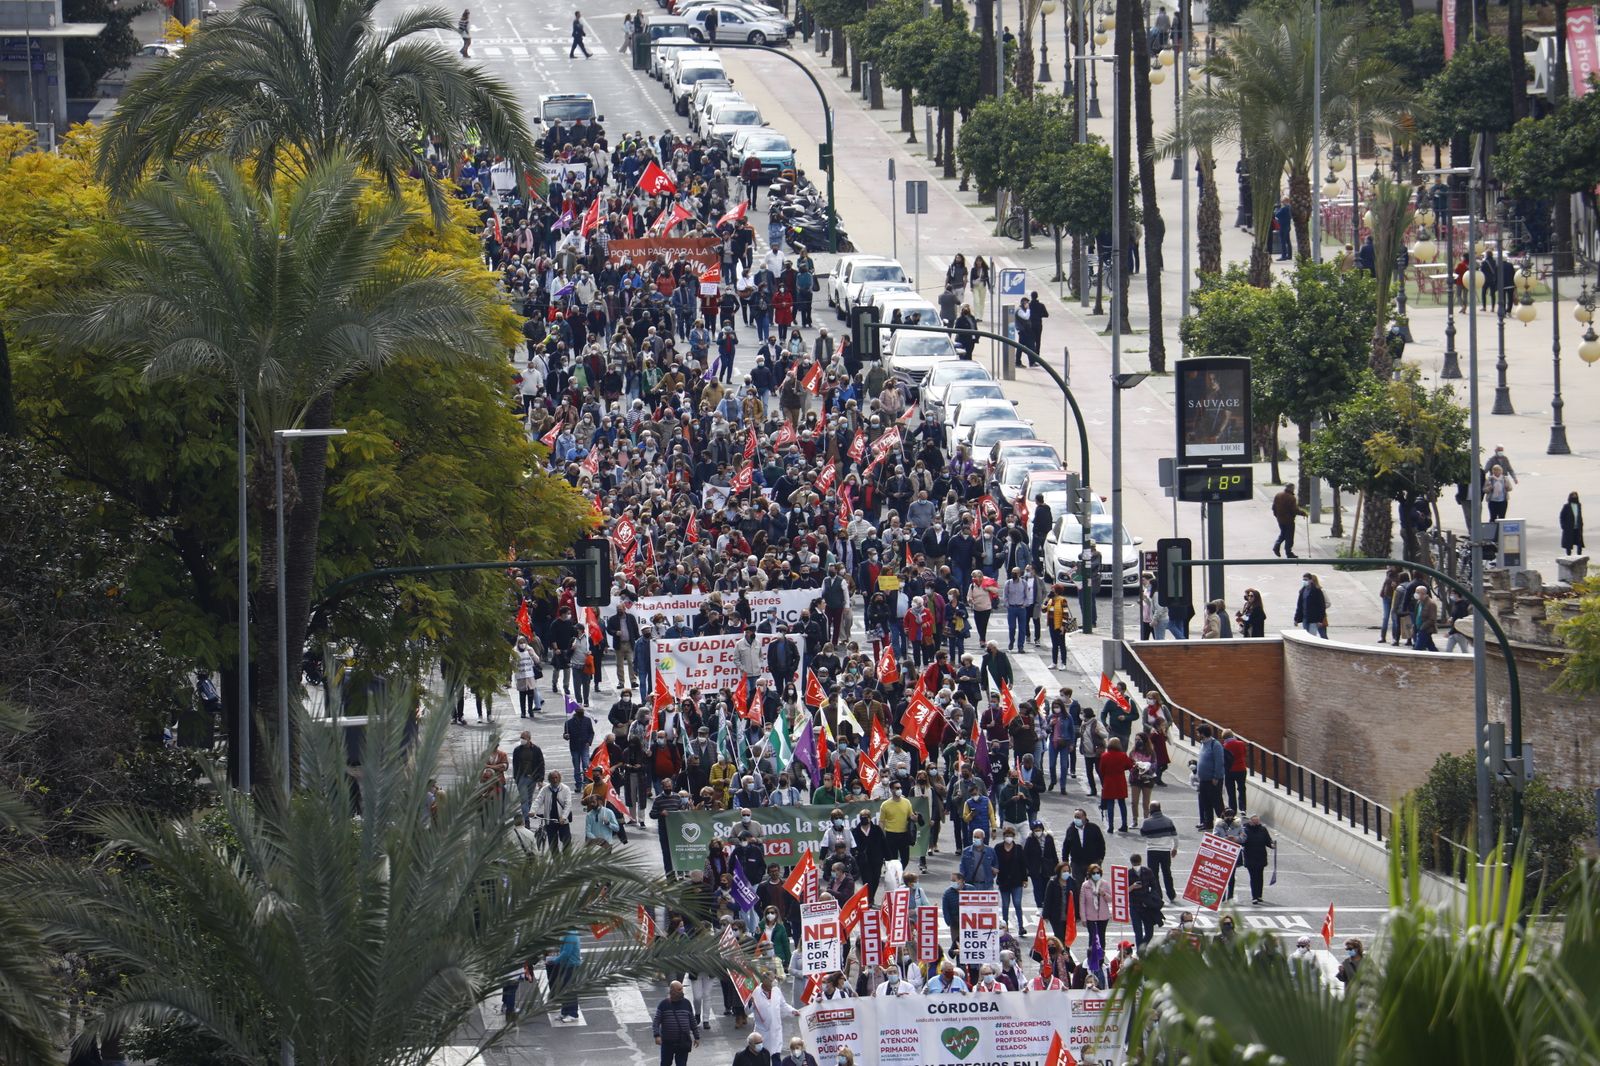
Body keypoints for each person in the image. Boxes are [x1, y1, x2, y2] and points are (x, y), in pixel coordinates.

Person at [653, 980, 701, 1066]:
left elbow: (692, 1021)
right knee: (665, 1063)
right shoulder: (663, 1004)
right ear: (671, 991)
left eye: (682, 989)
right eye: (679, 990)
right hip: (667, 1043)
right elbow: (656, 1022)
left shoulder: (687, 1003)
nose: (682, 992)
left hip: (682, 1043)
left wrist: (696, 1036)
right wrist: (657, 1035)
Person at [1138, 802, 1178, 902]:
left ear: (1150, 810)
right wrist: (1175, 848)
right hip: (1165, 851)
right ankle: (1171, 894)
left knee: (1153, 875)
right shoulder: (1168, 821)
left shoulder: (1147, 822)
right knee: (1167, 873)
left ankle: (1158, 894)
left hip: (1152, 851)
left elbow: (1143, 834)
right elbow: (1175, 836)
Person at [1194, 725, 1226, 829]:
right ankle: (1208, 823)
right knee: (1205, 802)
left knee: (1217, 803)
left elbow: (1219, 762)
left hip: (1213, 780)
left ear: (1203, 733)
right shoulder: (1203, 744)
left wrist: (1216, 777)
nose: (1198, 735)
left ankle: (1224, 823)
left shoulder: (1215, 745)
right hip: (1203, 780)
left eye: (1199, 733)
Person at [1241, 813, 1275, 903]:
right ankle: (1254, 896)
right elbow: (1242, 842)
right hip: (1250, 857)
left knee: (1260, 877)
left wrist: (1272, 845)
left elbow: (1268, 841)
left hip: (1261, 856)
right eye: (1254, 821)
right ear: (1250, 821)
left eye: (1257, 821)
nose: (1256, 823)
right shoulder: (1245, 830)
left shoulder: (1263, 830)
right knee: (1253, 877)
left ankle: (1259, 895)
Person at [1078, 863, 1113, 951]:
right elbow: (1082, 902)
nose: (1096, 875)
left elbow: (1111, 899)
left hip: (1103, 915)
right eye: (1093, 873)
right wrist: (1083, 918)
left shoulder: (1105, 884)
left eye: (1098, 873)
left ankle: (1102, 955)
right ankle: (1091, 956)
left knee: (1102, 936)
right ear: (1090, 874)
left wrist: (1103, 894)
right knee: (1092, 936)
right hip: (1090, 916)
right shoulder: (1085, 885)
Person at [1271, 484, 1304, 559]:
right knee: (1289, 536)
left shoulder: (1278, 495)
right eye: (1293, 488)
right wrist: (1303, 513)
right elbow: (1294, 510)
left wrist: (1277, 516)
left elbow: (1273, 507)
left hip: (1280, 519)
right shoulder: (1291, 498)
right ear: (1291, 489)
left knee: (1283, 533)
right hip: (1289, 520)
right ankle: (1288, 552)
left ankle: (1276, 546)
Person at [1076, 539, 1101, 634]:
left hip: (1091, 581)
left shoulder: (1096, 554)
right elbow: (1079, 556)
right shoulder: (1087, 554)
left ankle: (1092, 621)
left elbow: (1091, 565)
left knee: (1090, 601)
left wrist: (1085, 557)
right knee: (1082, 601)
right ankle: (1086, 620)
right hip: (1083, 580)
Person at [1293, 573, 1328, 638]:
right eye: (1303, 580)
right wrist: (1296, 619)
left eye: (1306, 579)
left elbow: (1321, 606)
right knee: (1306, 636)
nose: (1304, 581)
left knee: (1312, 636)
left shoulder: (1317, 591)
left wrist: (1320, 620)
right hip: (1305, 618)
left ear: (1311, 580)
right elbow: (1299, 606)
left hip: (1314, 619)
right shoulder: (1302, 591)